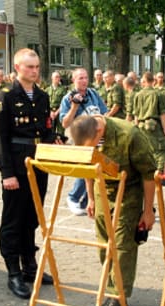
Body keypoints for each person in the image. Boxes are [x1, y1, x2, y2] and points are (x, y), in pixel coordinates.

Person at [69, 115, 156, 306]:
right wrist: (90, 198)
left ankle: (118, 297)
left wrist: (148, 210)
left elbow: (149, 174)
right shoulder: (87, 133)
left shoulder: (130, 135)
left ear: (99, 132)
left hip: (128, 191)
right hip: (102, 189)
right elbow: (89, 167)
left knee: (122, 244)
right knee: (103, 245)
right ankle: (110, 288)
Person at [0, 48, 57, 299]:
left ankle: (29, 263)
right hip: (16, 169)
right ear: (18, 68)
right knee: (13, 219)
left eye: (37, 66)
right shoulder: (5, 96)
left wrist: (54, 143)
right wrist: (6, 173)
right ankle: (13, 272)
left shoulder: (41, 96)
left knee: (32, 217)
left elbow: (46, 130)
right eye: (30, 67)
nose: (35, 71)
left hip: (38, 166)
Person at [59, 68, 107, 215]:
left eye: (86, 78)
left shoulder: (93, 94)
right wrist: (74, 107)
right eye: (80, 78)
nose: (84, 81)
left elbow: (104, 111)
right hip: (81, 140)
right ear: (73, 80)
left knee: (97, 169)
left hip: (97, 138)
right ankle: (73, 197)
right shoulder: (68, 98)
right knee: (85, 169)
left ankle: (87, 201)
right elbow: (64, 123)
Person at [133, 71, 165, 171]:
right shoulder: (158, 94)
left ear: (144, 81)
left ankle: (146, 172)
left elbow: (135, 114)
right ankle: (158, 173)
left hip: (140, 125)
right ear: (153, 81)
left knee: (144, 149)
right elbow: (162, 113)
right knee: (160, 150)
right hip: (154, 126)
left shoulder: (138, 95)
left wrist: (136, 127)